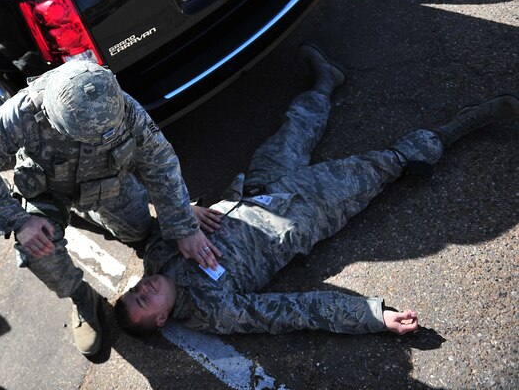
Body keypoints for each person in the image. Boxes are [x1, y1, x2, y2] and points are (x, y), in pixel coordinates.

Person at [115, 44, 519, 338]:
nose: (143, 289)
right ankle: (456, 129)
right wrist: (374, 317)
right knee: (380, 165)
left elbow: (157, 205)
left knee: (295, 128)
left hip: (256, 188)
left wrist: (184, 213)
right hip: (303, 212)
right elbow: (295, 310)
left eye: (135, 291)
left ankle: (325, 83)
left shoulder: (157, 252)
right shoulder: (214, 310)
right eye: (143, 303)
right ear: (163, 319)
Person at [0, 60, 217, 356]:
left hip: (107, 185)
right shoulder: (22, 113)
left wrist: (183, 223)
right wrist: (18, 221)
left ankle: (86, 211)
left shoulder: (121, 105)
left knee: (141, 232)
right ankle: (82, 298)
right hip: (48, 191)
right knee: (37, 249)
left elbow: (160, 164)